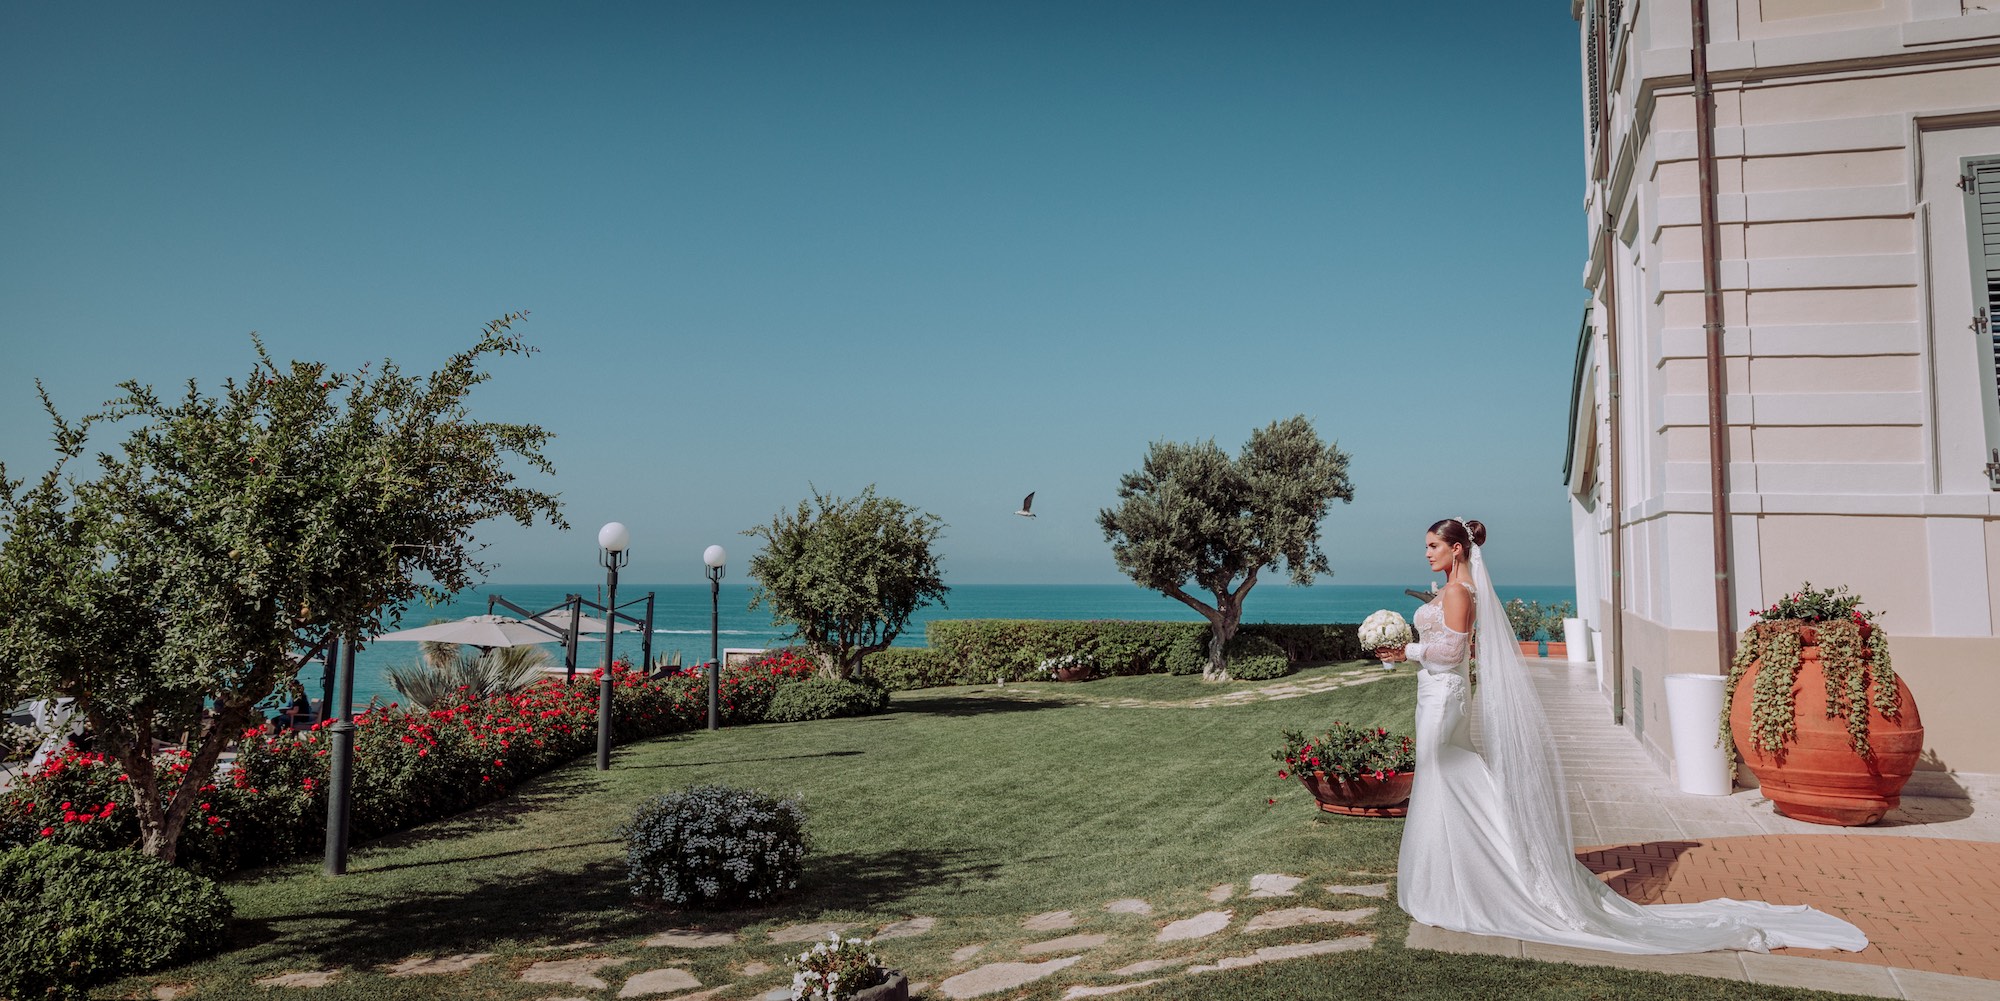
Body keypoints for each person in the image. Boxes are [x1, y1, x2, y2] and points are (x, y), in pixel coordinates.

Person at [1373, 517, 1867, 955]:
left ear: (1456, 549)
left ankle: (1490, 872)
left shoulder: (1459, 593)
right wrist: (1413, 647)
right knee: (1451, 778)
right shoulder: (1447, 590)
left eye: (1433, 546)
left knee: (1448, 775)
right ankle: (1474, 868)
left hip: (1444, 696)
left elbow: (1450, 650)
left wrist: (1405, 652)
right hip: (1433, 696)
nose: (1427, 554)